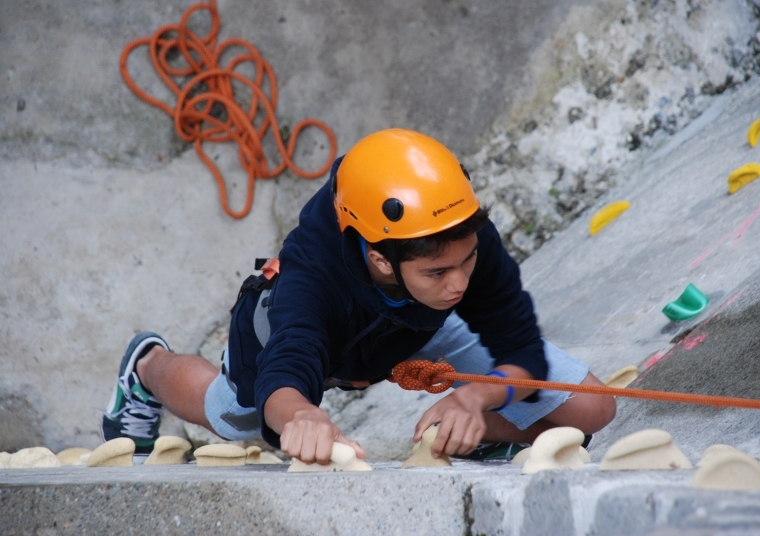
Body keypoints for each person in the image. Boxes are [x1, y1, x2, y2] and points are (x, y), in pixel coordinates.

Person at [102, 128, 616, 464]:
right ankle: (147, 366)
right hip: (306, 336)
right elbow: (285, 372)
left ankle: (477, 432)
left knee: (593, 412)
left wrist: (475, 398)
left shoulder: (461, 234)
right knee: (231, 417)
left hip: (419, 325)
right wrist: (302, 414)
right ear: (378, 257)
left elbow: (519, 346)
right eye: (438, 271)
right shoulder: (311, 278)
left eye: (467, 263)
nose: (460, 283)